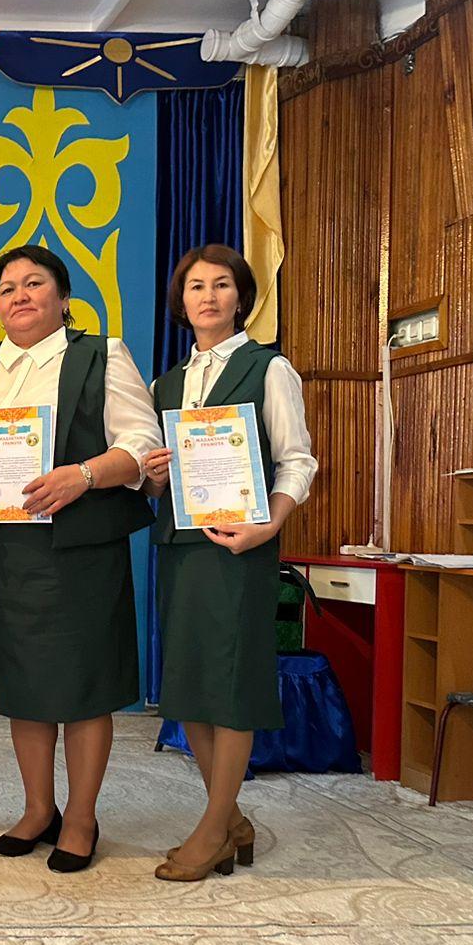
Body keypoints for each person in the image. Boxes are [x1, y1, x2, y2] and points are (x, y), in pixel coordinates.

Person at [0, 245, 161, 873]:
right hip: (7, 553)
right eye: (7, 287)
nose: (19, 295)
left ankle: (81, 817)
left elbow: (143, 445)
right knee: (26, 687)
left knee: (83, 688)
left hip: (80, 552)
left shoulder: (101, 355)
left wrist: (84, 474)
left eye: (34, 283)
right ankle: (37, 808)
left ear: (64, 298)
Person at [142, 244, 317, 881]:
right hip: (181, 550)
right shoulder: (165, 384)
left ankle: (214, 829)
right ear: (181, 301)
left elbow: (297, 460)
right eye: (196, 286)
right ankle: (233, 818)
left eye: (221, 284)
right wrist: (154, 477)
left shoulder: (269, 368)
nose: (209, 296)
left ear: (241, 297)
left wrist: (270, 524)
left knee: (232, 685)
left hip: (241, 550)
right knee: (190, 686)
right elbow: (156, 483)